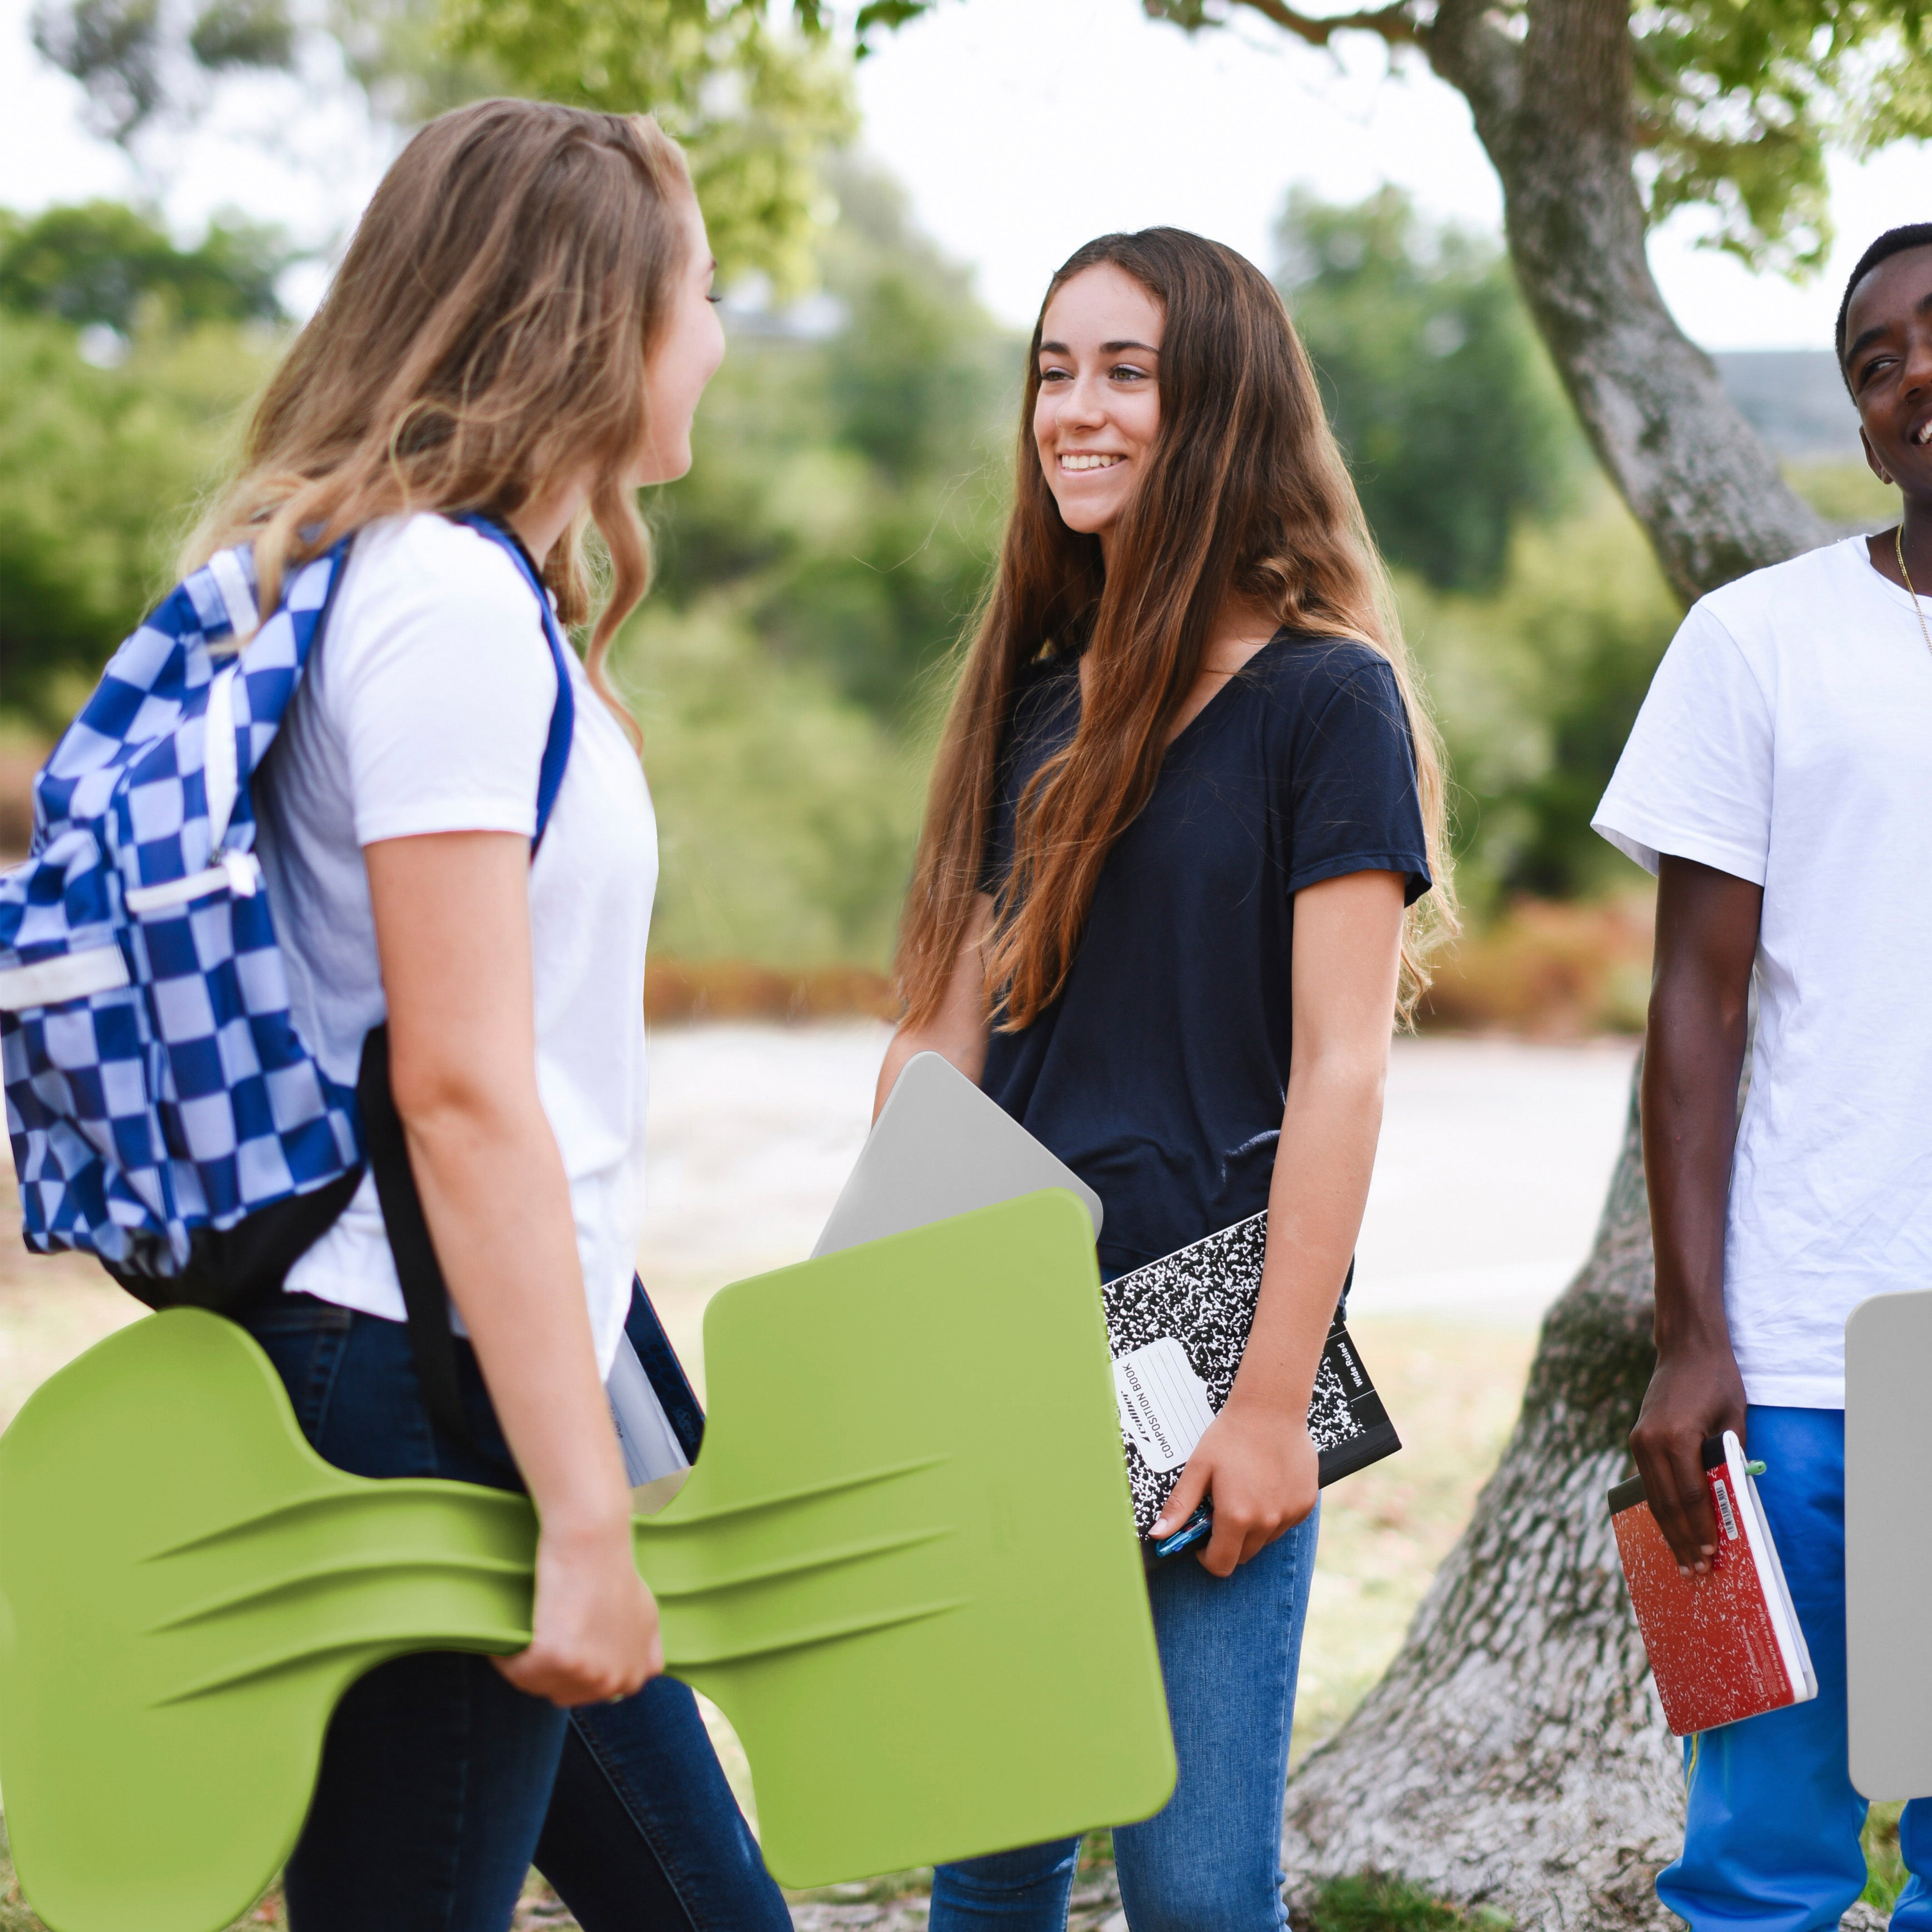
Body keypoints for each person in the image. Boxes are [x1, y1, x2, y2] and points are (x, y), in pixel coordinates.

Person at [183, 99, 791, 1932]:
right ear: (595, 321)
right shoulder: (439, 603)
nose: (715, 330)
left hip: (471, 1366)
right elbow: (460, 1087)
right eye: (698, 288)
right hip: (429, 1384)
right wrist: (580, 1515)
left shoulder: (432, 587)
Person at [875, 227, 1453, 1932]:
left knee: (1201, 1895)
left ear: (1220, 406)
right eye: (1054, 370)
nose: (1076, 408)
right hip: (1004, 1329)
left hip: (1210, 1336)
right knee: (989, 1869)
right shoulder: (1035, 703)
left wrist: (1272, 1398)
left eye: (1125, 370)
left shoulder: (1326, 701)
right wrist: (875, 1327)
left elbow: (1346, 1069)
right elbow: (945, 1044)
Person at [1596, 221, 1932, 1932]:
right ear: (1863, 423)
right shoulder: (1758, 644)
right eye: (1875, 361)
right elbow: (1694, 1012)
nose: (1915, 373)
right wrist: (1688, 1333)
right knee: (1761, 1870)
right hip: (1794, 1364)